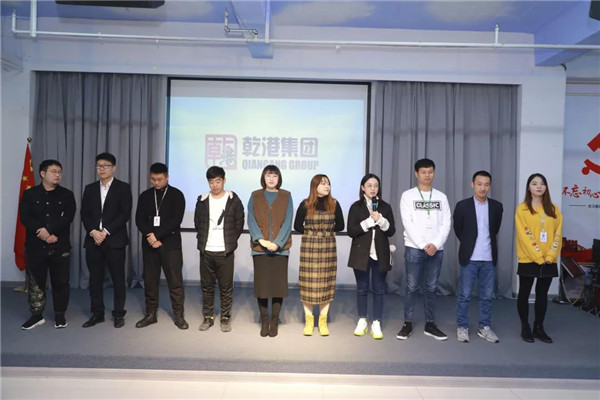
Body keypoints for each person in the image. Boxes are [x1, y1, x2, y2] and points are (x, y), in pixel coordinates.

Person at [397, 158, 451, 341]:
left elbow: (446, 223)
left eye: (430, 172)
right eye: (423, 172)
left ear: (434, 173)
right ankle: (407, 323)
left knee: (431, 287)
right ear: (416, 174)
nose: (427, 175)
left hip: (436, 249)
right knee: (412, 287)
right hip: (414, 248)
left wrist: (435, 244)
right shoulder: (408, 196)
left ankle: (430, 324)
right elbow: (408, 223)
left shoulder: (441, 197)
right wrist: (422, 245)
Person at [19, 160, 76, 330]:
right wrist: (41, 232)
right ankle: (36, 315)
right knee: (36, 282)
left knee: (61, 281)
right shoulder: (30, 194)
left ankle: (60, 315)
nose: (57, 175)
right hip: (36, 245)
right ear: (43, 174)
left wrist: (50, 232)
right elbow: (25, 217)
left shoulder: (67, 194)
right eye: (53, 171)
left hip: (59, 244)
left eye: (60, 172)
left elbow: (68, 217)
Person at [81, 152, 132, 328]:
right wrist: (93, 232)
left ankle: (119, 313)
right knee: (95, 279)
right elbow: (85, 213)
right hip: (93, 240)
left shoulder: (123, 188)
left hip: (115, 240)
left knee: (118, 279)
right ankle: (97, 313)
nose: (101, 169)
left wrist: (105, 232)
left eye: (106, 165)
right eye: (99, 166)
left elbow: (124, 214)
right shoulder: (89, 188)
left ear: (114, 168)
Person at [135, 163, 188, 330]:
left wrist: (157, 236)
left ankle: (179, 315)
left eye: (159, 179)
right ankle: (150, 314)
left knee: (175, 281)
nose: (156, 183)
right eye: (153, 179)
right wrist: (150, 236)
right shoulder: (145, 196)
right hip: (149, 244)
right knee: (150, 281)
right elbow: (139, 219)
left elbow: (176, 220)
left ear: (167, 177)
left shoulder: (177, 195)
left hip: (170, 245)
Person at [453, 171, 503, 343]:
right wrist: (468, 243)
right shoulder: (462, 206)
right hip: (470, 258)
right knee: (465, 295)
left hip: (489, 258)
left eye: (486, 184)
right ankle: (462, 327)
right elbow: (458, 229)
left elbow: (495, 229)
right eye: (479, 184)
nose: (483, 188)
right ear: (472, 184)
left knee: (487, 296)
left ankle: (485, 327)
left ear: (490, 186)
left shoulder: (497, 207)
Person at [194, 166, 244, 333]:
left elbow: (239, 222)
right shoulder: (202, 200)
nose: (214, 185)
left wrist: (230, 241)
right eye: (211, 182)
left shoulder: (233, 199)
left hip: (225, 251)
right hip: (206, 251)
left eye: (218, 181)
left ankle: (225, 317)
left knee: (226, 287)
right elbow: (198, 223)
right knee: (207, 286)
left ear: (224, 180)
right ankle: (208, 317)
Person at [294, 174, 344, 336]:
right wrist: (312, 233)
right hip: (309, 247)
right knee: (308, 285)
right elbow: (297, 225)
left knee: (326, 284)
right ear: (314, 186)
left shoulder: (334, 204)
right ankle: (309, 321)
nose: (327, 186)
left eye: (328, 183)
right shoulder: (305, 204)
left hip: (328, 247)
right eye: (323, 183)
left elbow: (341, 225)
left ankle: (323, 321)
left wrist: (326, 232)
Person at [347, 173, 395, 340]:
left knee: (379, 289)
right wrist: (367, 223)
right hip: (361, 254)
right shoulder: (356, 207)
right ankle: (362, 319)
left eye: (376, 185)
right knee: (362, 288)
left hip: (380, 253)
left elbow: (391, 231)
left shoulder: (385, 207)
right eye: (369, 186)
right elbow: (351, 231)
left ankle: (376, 321)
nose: (373, 189)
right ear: (363, 188)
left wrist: (381, 220)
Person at [515, 173, 562, 343]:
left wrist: (550, 256)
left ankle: (539, 327)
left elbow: (557, 234)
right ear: (529, 187)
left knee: (542, 295)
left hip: (549, 260)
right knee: (524, 293)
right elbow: (524, 235)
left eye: (542, 183)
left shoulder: (554, 209)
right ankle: (525, 327)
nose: (539, 186)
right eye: (534, 183)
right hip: (528, 258)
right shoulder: (522, 209)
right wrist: (538, 256)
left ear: (546, 187)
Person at [247, 165, 293, 337]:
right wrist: (261, 240)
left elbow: (288, 221)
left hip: (280, 251)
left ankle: (274, 321)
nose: (271, 178)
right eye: (268, 175)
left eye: (274, 175)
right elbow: (251, 219)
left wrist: (278, 243)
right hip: (260, 249)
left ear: (279, 178)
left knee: (277, 288)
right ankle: (264, 321)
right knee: (263, 287)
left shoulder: (286, 196)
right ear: (263, 178)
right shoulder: (255, 196)